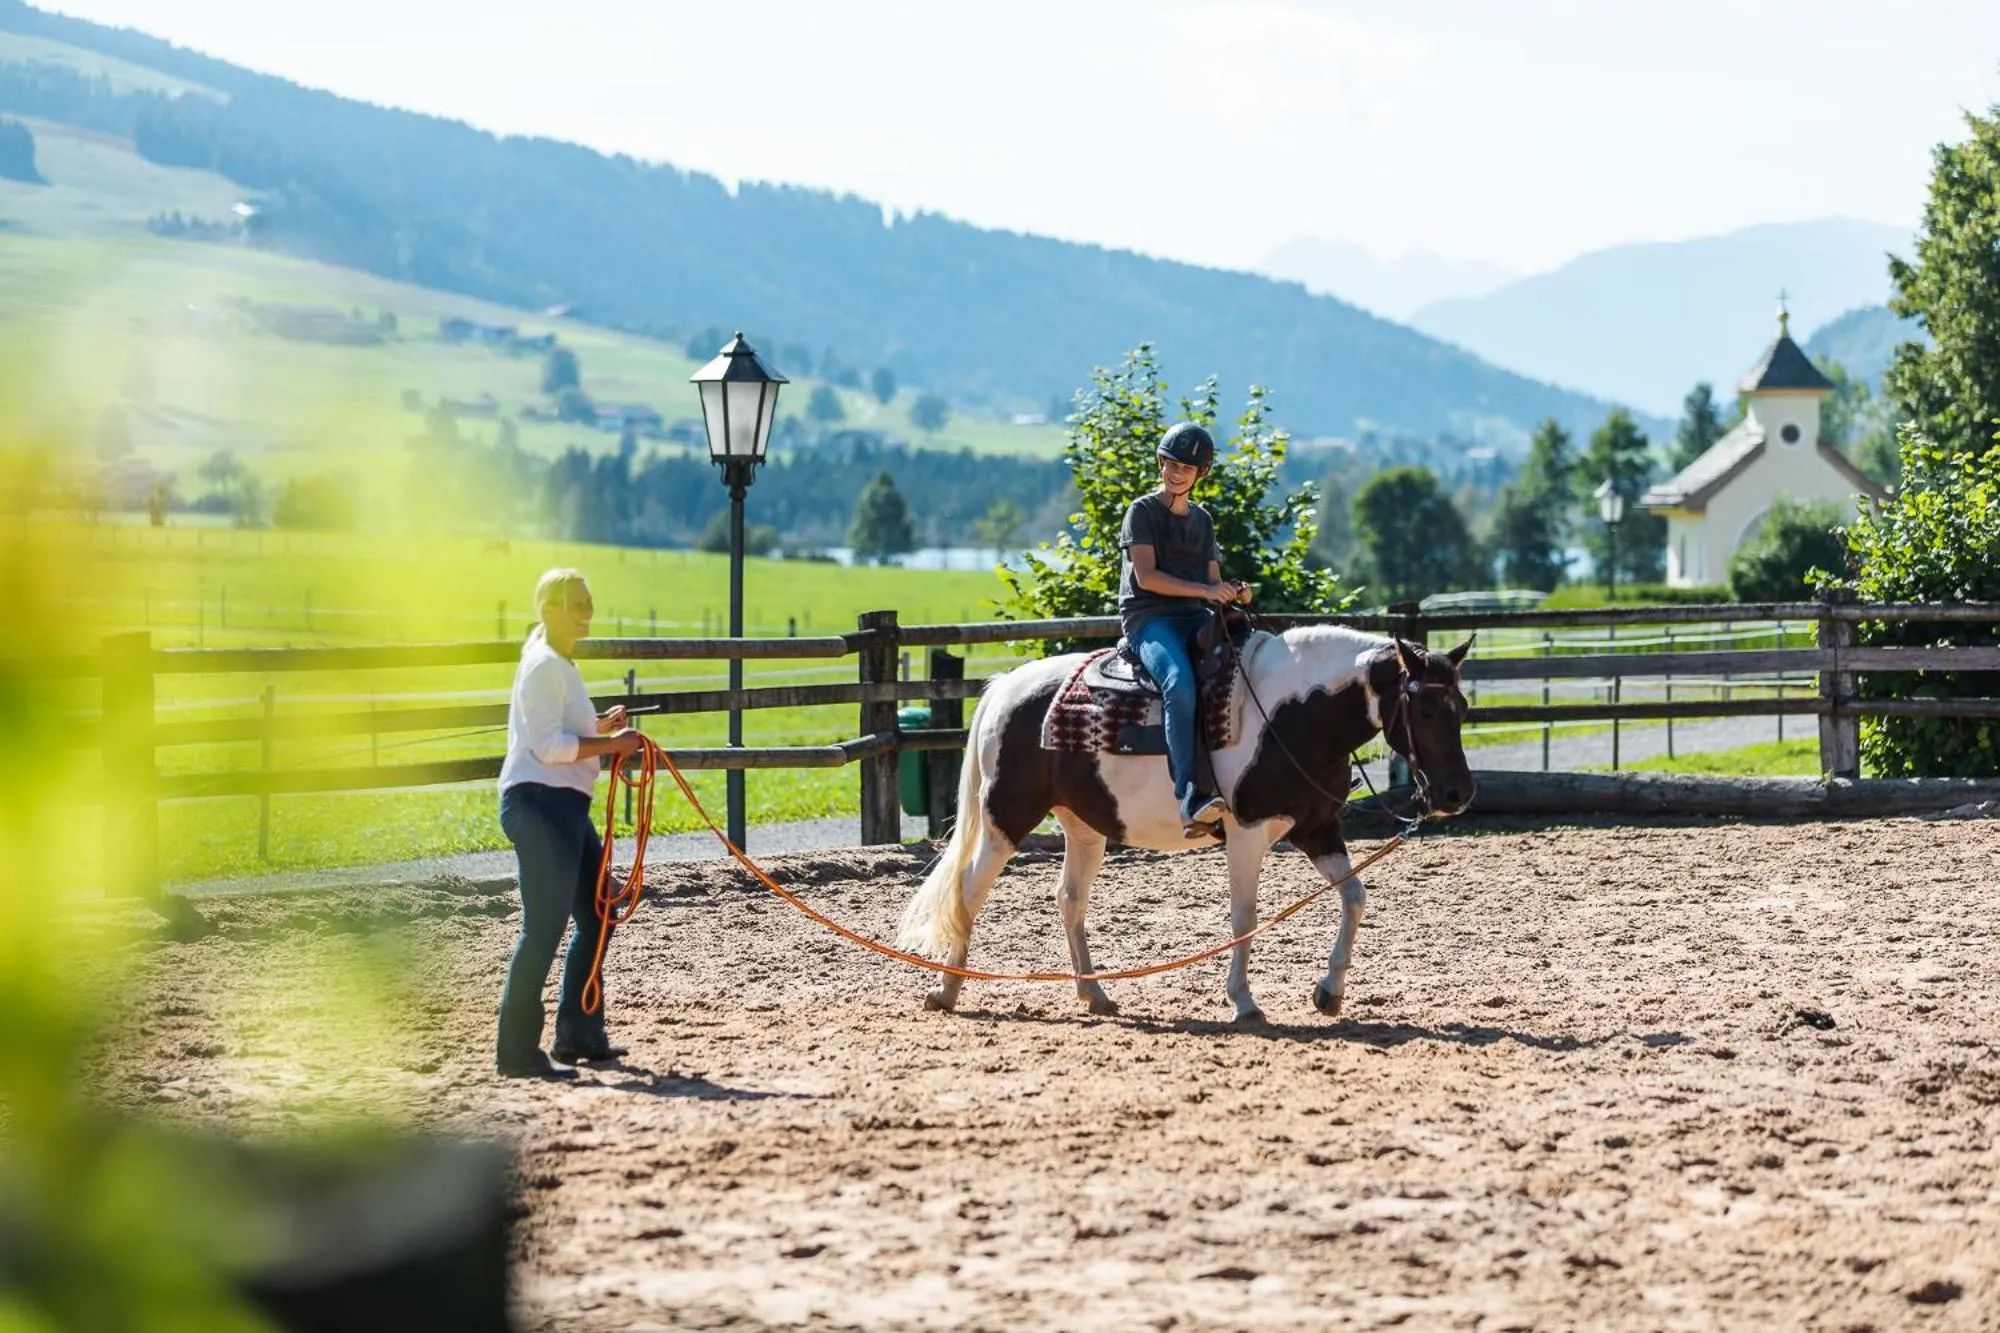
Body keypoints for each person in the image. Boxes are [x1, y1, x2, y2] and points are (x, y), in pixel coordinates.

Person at [495, 568, 647, 1080]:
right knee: (544, 927)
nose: (586, 612)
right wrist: (612, 745)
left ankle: (578, 1034)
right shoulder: (544, 666)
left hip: (562, 806)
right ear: (550, 609)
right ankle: (517, 1051)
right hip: (541, 805)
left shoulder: (556, 664)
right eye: (577, 604)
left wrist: (599, 727)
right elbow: (548, 748)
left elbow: (560, 733)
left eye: (589, 601)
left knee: (597, 914)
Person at [1118, 423, 1252, 836]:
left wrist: (1234, 592)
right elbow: (1147, 577)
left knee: (1251, 666)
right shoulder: (1141, 512)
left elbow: (1213, 580)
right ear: (1161, 464)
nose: (1177, 473)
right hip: (1150, 618)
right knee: (1178, 683)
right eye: (1172, 464)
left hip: (1194, 615)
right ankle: (1189, 795)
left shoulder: (1203, 521)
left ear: (1200, 475)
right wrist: (1207, 590)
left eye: (1187, 468)